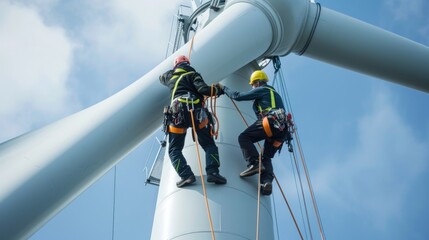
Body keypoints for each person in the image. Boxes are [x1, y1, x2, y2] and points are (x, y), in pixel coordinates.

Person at [219, 70, 291, 195]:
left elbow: (238, 96)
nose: (252, 87)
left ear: (257, 83)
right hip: (282, 132)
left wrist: (223, 88)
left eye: (252, 85)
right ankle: (266, 182)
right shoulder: (275, 94)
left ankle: (253, 163)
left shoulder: (262, 90)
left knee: (244, 137)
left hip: (271, 122)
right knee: (266, 156)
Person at [160, 55, 227, 188]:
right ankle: (213, 172)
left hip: (176, 115)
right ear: (188, 64)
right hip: (196, 114)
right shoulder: (193, 75)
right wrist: (219, 89)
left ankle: (186, 175)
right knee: (209, 145)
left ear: (176, 66)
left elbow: (161, 77)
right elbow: (204, 90)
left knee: (174, 150)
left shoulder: (170, 77)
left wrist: (171, 72)